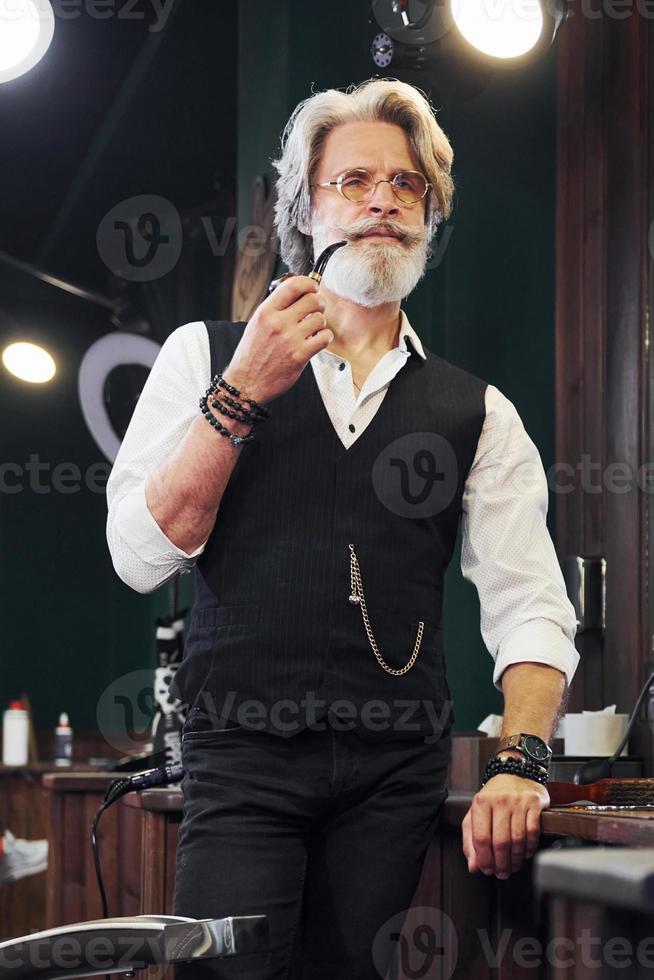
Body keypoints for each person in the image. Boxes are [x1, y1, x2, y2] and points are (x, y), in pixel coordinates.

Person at [106, 77, 578, 979]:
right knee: (224, 969)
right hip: (239, 757)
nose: (382, 203)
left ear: (429, 219)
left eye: (407, 187)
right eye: (354, 181)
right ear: (305, 208)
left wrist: (521, 759)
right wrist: (240, 394)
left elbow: (530, 606)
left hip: (391, 774)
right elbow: (139, 554)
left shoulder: (478, 412)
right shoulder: (205, 356)